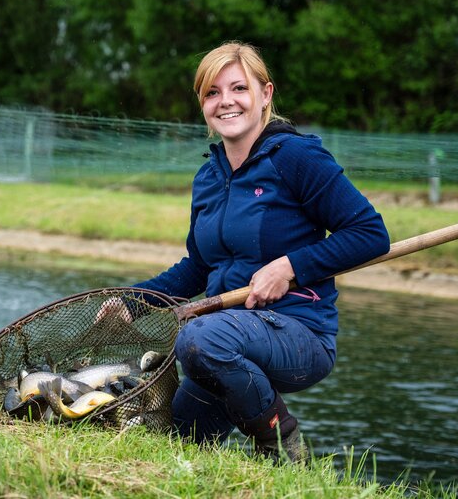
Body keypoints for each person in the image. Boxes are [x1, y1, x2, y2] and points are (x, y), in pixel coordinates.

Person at [130, 42, 390, 460]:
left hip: (298, 334)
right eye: (212, 93)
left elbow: (370, 233)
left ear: (265, 95)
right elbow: (199, 268)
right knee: (172, 447)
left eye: (238, 88)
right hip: (224, 341)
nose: (225, 102)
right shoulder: (208, 177)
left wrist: (289, 266)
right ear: (202, 104)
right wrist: (130, 301)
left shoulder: (297, 156)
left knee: (196, 339)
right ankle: (276, 473)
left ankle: (282, 443)